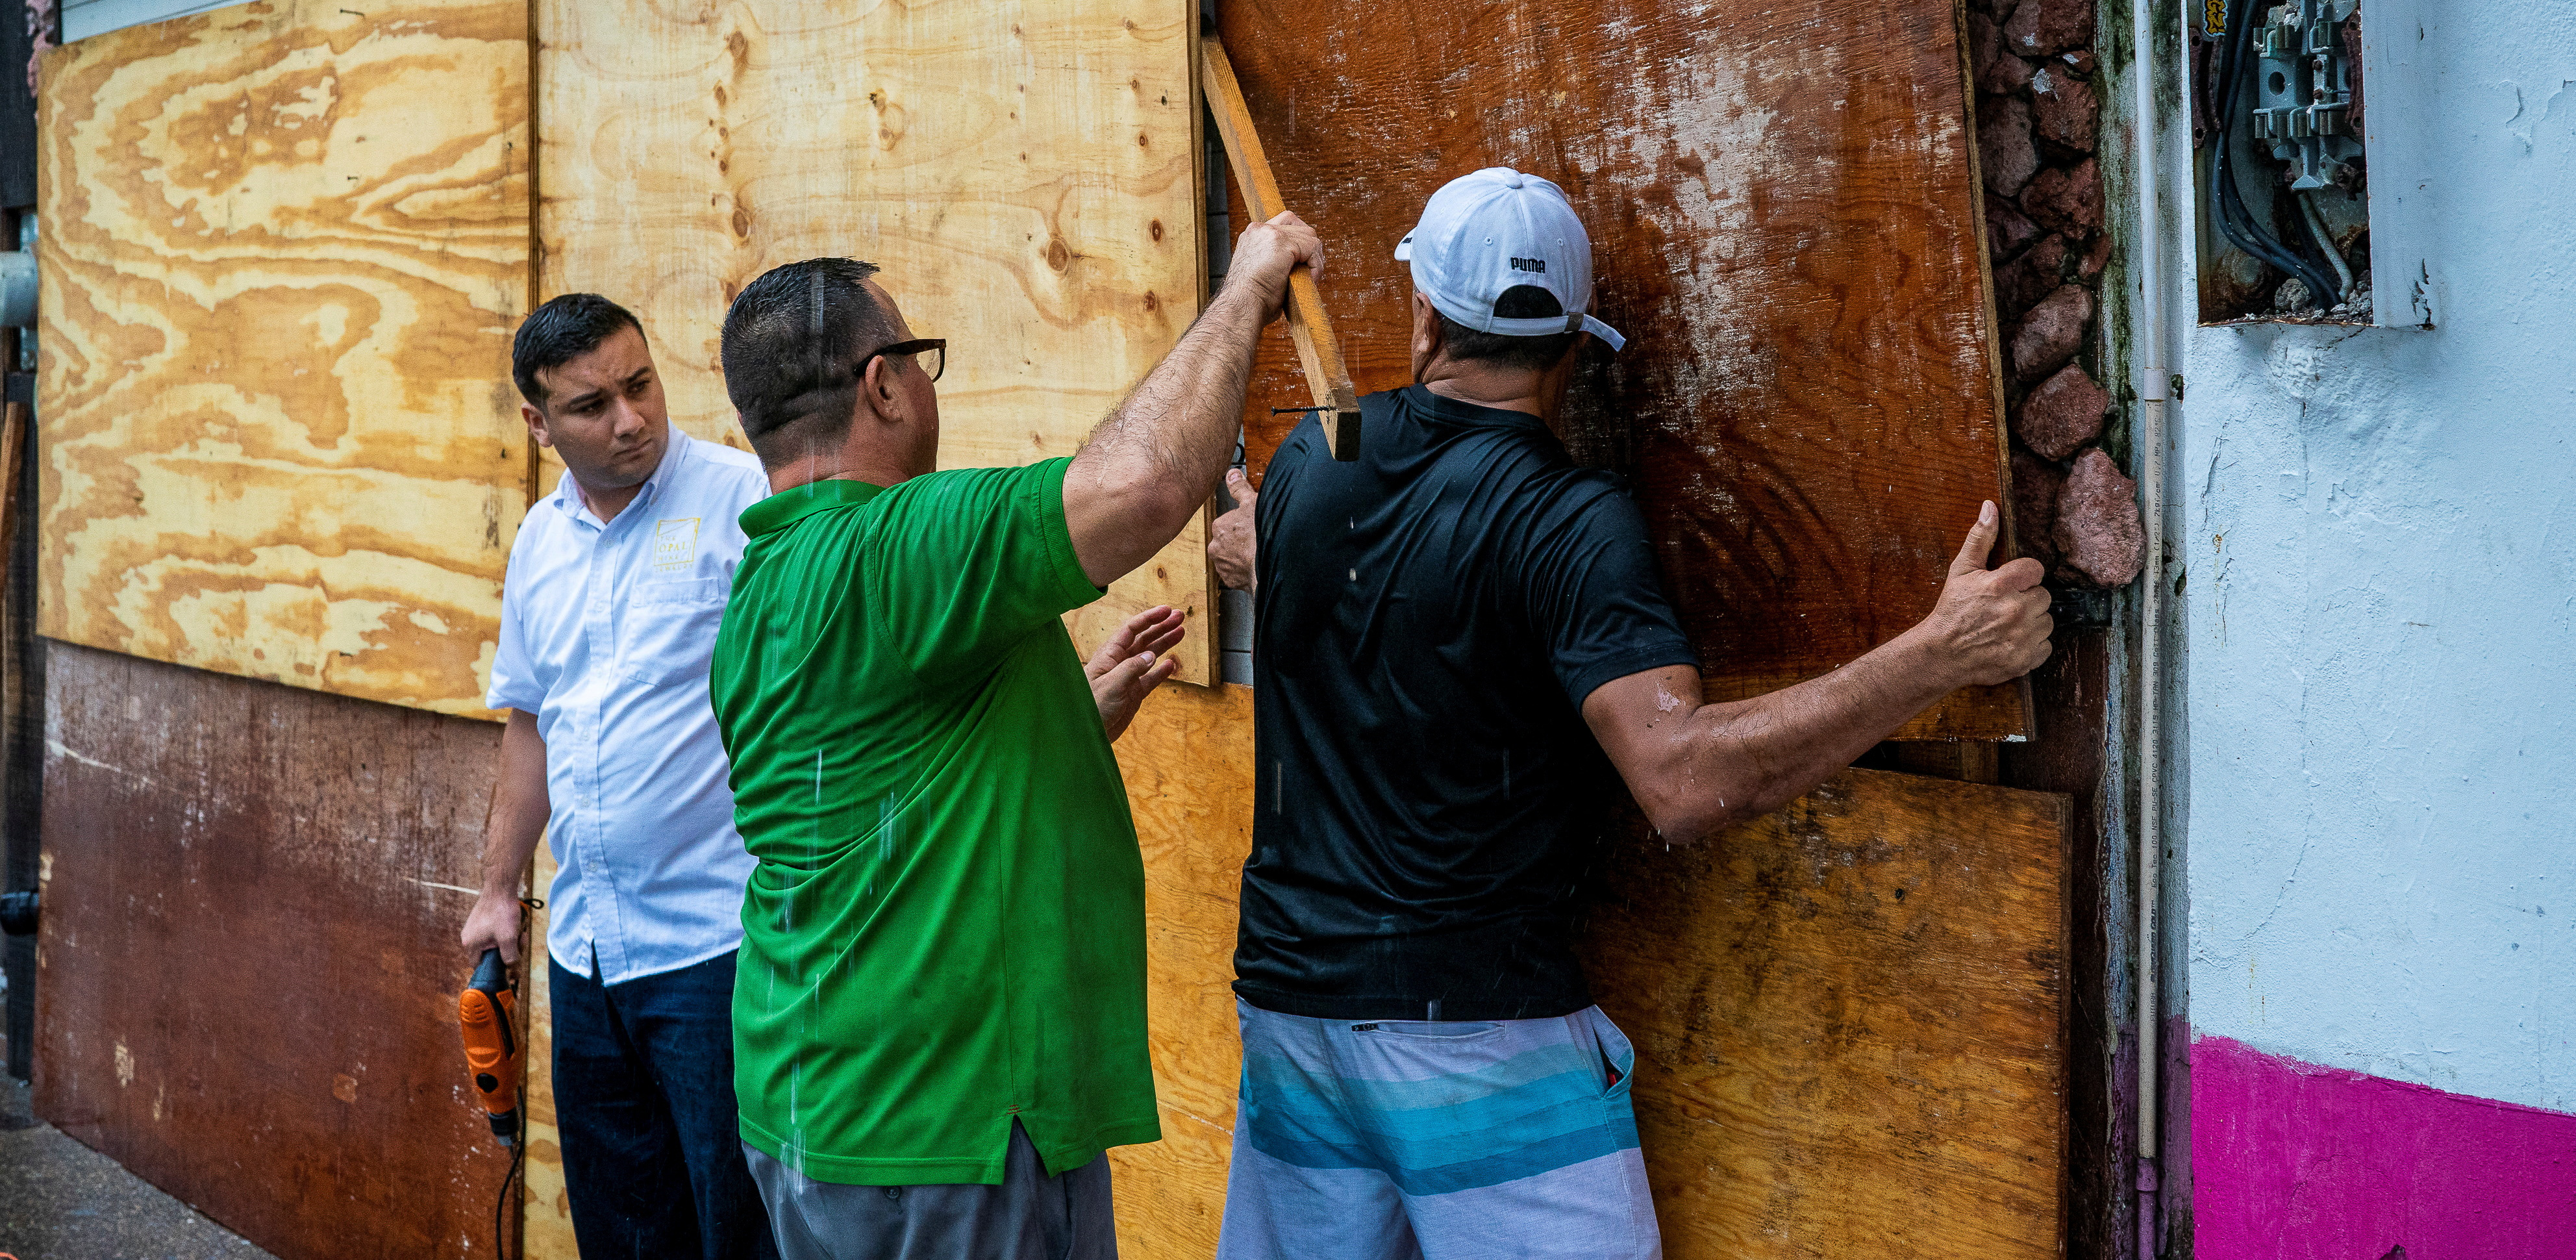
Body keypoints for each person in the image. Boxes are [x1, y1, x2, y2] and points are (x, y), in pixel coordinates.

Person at [1206, 168, 2053, 1260]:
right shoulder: (1570, 520)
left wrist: (1267, 550)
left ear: (1424, 316)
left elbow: (1362, 568)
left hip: (1293, 1026)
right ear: (1574, 346)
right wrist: (1936, 656)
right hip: (1478, 1042)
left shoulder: (1323, 455)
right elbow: (1685, 781)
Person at [704, 212, 1323, 1260]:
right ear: (884, 383)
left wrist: (1066, 723)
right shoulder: (893, 543)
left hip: (821, 1105)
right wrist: (1247, 288)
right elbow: (1142, 489)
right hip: (943, 1130)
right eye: (919, 357)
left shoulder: (763, 590)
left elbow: (873, 791)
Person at [461, 293, 779, 1260]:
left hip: (717, 951)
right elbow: (532, 724)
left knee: (741, 1230)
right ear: (538, 421)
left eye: (640, 385)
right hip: (590, 959)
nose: (631, 417)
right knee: (627, 1233)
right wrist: (497, 890)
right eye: (593, 404)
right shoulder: (540, 542)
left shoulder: (743, 503)